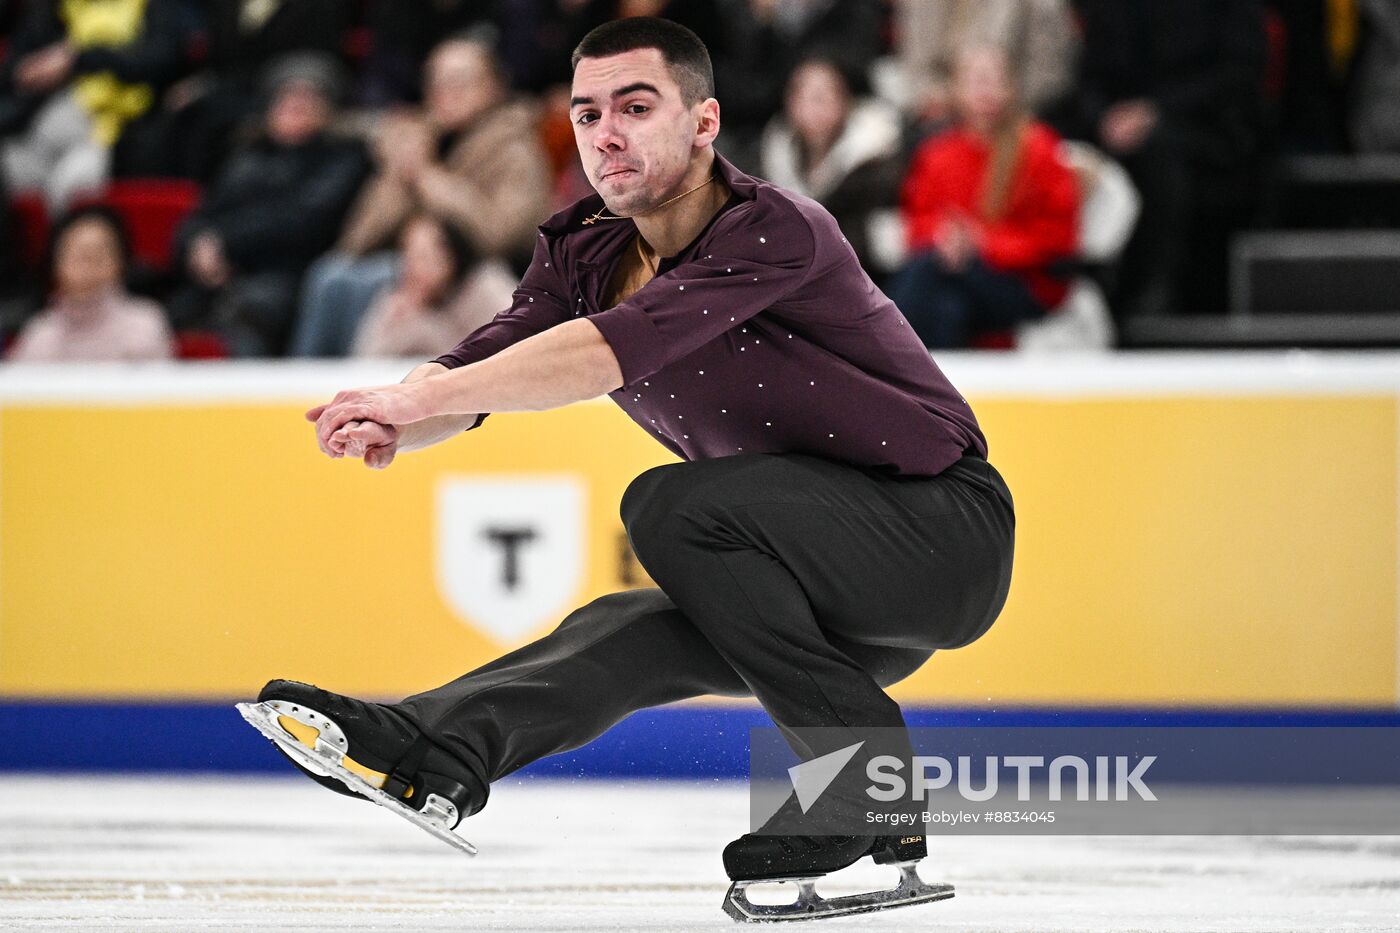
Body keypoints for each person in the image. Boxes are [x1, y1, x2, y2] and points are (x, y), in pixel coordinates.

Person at [243, 17, 1014, 922]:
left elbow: (608, 351)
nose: (605, 132)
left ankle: (864, 787)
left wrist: (413, 401)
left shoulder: (773, 230)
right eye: (585, 113)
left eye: (636, 106)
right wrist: (400, 412)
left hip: (937, 537)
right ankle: (432, 747)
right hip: (812, 577)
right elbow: (484, 362)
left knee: (672, 506)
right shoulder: (585, 253)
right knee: (624, 628)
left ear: (704, 121)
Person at [290, 36, 552, 358]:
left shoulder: (515, 149)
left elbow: (498, 236)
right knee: (331, 272)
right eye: (435, 81)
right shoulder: (420, 141)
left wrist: (427, 177)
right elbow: (356, 239)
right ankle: (303, 383)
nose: (445, 92)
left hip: (473, 275)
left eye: (459, 80)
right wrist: (399, 177)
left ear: (493, 86)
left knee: (354, 283)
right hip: (406, 262)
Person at [168, 53, 369, 357]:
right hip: (224, 274)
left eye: (308, 97)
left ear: (328, 108)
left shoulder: (343, 158)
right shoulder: (245, 155)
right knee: (162, 315)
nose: (295, 105)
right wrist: (197, 244)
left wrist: (225, 243)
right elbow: (202, 214)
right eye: (286, 95)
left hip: (293, 276)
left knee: (251, 310)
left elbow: (304, 223)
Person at [890, 45, 1079, 349]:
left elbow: (1057, 239)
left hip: (1023, 282)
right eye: (976, 81)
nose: (985, 91)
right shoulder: (937, 153)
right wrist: (945, 239)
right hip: (952, 274)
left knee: (925, 274)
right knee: (947, 308)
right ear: (957, 89)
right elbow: (917, 223)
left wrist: (982, 243)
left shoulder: (1038, 148)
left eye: (994, 80)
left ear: (1010, 88)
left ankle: (888, 362)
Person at [759, 56, 903, 279]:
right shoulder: (774, 156)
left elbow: (874, 243)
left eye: (824, 96)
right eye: (806, 96)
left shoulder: (876, 161)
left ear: (846, 101)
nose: (815, 107)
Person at [7, 204, 172, 362]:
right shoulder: (40, 333)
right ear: (55, 264)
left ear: (121, 262)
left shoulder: (144, 324)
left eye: (98, 254)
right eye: (79, 255)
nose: (88, 265)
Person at [351, 213, 517, 359]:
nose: (414, 268)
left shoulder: (486, 287)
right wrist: (396, 325)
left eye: (424, 256)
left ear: (452, 256)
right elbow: (363, 361)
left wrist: (428, 330)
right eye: (408, 256)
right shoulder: (401, 298)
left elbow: (513, 347)